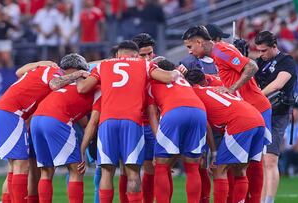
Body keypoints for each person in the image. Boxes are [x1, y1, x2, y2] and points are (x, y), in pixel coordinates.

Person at [76, 40, 185, 202]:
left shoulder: (103, 65)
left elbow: (82, 88)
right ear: (136, 55)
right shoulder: (143, 65)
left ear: (118, 54)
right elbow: (168, 77)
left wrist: (79, 75)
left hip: (107, 122)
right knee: (133, 172)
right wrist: (177, 72)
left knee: (107, 172)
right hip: (132, 122)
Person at [182, 25, 272, 203]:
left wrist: (232, 89)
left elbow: (251, 66)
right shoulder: (221, 51)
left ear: (200, 42)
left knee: (247, 165)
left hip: (253, 108)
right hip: (249, 110)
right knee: (242, 165)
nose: (190, 52)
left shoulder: (220, 51)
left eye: (190, 47)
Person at [0, 60, 88, 203]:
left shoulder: (41, 70)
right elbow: (54, 84)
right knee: (21, 166)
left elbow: (19, 72)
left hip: (6, 112)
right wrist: (77, 74)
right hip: (13, 113)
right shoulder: (53, 72)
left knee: (13, 168)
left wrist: (38, 63)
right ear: (72, 69)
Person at [30, 53, 92, 203]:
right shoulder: (93, 86)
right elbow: (93, 121)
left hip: (37, 119)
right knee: (76, 169)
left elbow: (82, 119)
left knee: (46, 170)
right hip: (56, 120)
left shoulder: (64, 86)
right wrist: (83, 149)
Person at [148, 59, 207, 203]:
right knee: (193, 167)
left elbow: (153, 115)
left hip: (174, 112)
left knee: (161, 166)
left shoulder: (151, 84)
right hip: (199, 112)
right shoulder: (183, 80)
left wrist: (158, 143)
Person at [254, 31, 297, 203]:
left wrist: (256, 97)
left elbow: (278, 84)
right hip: (259, 113)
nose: (261, 54)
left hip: (278, 114)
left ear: (274, 46)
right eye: (258, 50)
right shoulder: (259, 62)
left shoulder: (287, 61)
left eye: (264, 50)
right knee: (260, 161)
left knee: (270, 160)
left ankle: (269, 201)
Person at [131, 32, 156, 203]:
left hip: (150, 125)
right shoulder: (126, 71)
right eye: (143, 55)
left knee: (152, 169)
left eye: (150, 53)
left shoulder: (158, 69)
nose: (148, 58)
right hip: (131, 125)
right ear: (134, 55)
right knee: (129, 170)